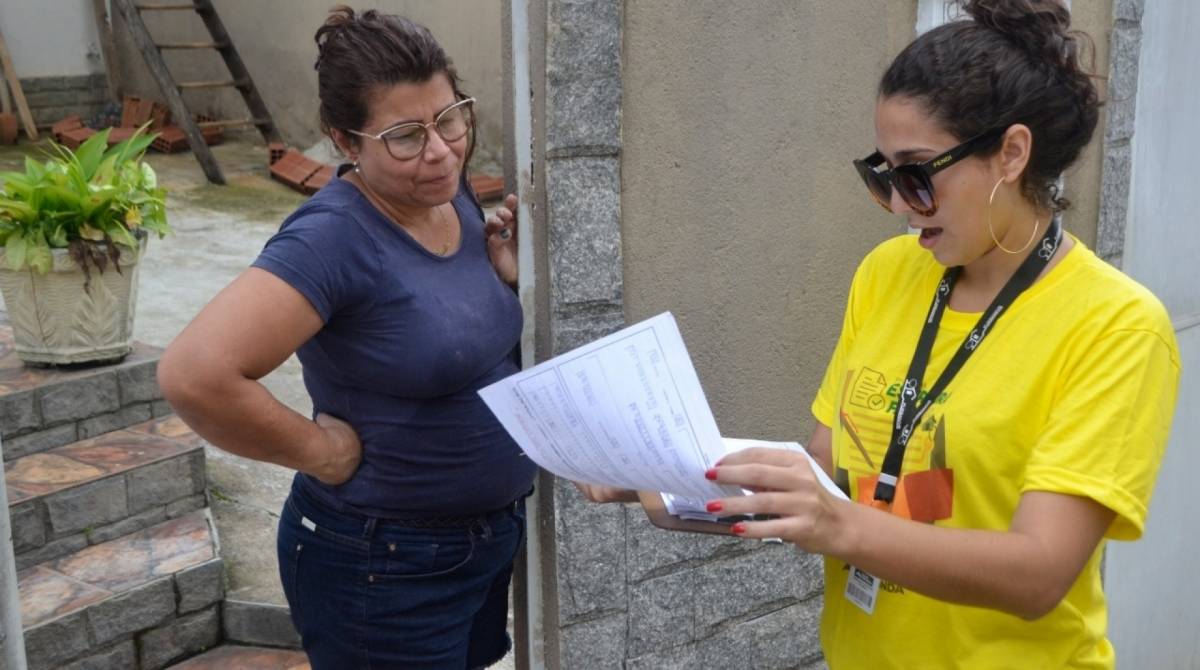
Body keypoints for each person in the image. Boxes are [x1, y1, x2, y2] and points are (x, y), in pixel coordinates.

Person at [586, 1, 1181, 667]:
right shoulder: (888, 273)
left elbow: (1039, 572)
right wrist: (677, 480)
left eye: (917, 173)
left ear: (1012, 153)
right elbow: (828, 468)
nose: (898, 205)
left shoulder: (1117, 327)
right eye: (884, 173)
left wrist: (841, 526)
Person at [157, 7, 531, 668]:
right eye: (406, 136)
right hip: (382, 567)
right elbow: (194, 375)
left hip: (482, 545)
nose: (441, 149)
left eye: (450, 118)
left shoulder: (450, 195)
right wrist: (321, 451)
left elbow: (442, 334)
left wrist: (504, 282)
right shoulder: (332, 239)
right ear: (345, 140)